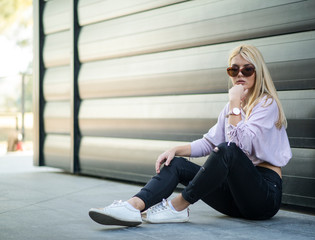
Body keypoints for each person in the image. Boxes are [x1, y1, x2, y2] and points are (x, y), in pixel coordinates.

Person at [88, 44, 292, 227]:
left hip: (263, 198)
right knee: (176, 163)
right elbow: (209, 142)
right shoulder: (231, 107)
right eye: (233, 69)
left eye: (247, 69)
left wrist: (234, 106)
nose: (240, 75)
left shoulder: (267, 105)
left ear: (258, 72)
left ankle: (178, 206)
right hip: (234, 200)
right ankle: (133, 207)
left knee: (228, 150)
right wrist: (174, 150)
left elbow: (238, 145)